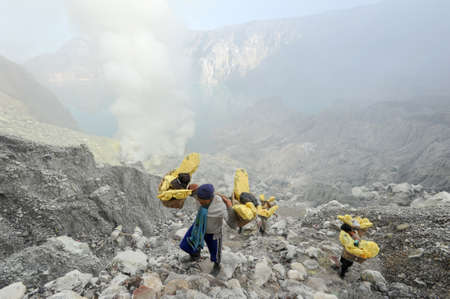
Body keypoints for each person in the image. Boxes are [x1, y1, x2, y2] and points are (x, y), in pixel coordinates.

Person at [180, 184, 238, 276]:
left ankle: (217, 266)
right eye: (199, 200)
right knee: (189, 242)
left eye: (202, 202)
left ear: (210, 199)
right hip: (199, 226)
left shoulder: (220, 206)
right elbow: (191, 192)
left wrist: (229, 207)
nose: (200, 202)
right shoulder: (199, 194)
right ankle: (194, 256)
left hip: (213, 231)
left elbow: (232, 224)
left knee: (215, 252)